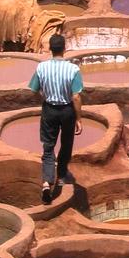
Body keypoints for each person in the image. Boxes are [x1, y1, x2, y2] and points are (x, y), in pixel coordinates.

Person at [28, 33, 83, 205]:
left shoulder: (41, 68)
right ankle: (61, 175)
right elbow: (76, 97)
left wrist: (44, 96)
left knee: (48, 146)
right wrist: (78, 118)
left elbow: (33, 89)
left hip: (49, 110)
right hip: (67, 110)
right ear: (64, 48)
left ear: (50, 49)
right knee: (66, 144)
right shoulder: (73, 69)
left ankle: (46, 182)